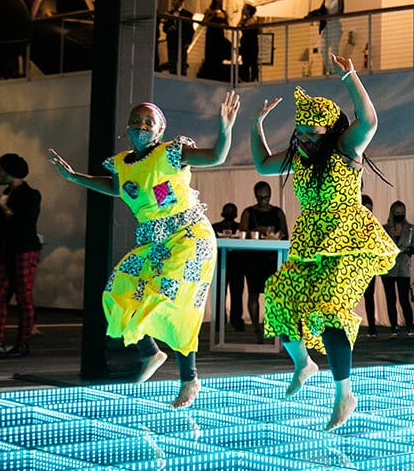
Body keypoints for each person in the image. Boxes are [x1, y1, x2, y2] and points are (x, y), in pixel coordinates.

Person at [48, 93, 239, 408]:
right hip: (155, 243)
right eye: (136, 121)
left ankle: (189, 379)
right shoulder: (122, 164)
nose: (141, 126)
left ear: (160, 130)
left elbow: (216, 157)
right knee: (118, 289)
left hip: (190, 238)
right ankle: (151, 353)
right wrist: (73, 177)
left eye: (149, 122)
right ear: (127, 127)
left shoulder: (171, 153)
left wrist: (225, 128)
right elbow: (114, 187)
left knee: (174, 302)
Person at [251, 53, 398, 430]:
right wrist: (256, 125)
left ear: (330, 132)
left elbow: (370, 121)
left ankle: (344, 394)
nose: (303, 139)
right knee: (279, 296)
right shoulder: (300, 159)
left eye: (311, 133)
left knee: (329, 310)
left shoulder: (346, 150)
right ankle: (304, 363)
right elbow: (263, 163)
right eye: (299, 132)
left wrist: (350, 76)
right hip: (311, 243)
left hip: (349, 240)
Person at [0, 154, 42, 359]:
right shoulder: (5, 194)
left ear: (9, 172)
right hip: (6, 250)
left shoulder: (31, 195)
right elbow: (5, 224)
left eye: (0, 169)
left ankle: (22, 343)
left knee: (23, 296)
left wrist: (4, 206)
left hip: (23, 249)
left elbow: (24, 223)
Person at [238, 180, 288, 341]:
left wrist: (274, 235)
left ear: (270, 195)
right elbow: (242, 233)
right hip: (253, 258)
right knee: (253, 293)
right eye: (260, 198)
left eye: (266, 197)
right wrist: (257, 231)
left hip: (273, 258)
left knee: (273, 295)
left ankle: (273, 328)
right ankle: (256, 330)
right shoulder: (248, 212)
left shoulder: (278, 212)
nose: (264, 200)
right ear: (255, 196)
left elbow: (285, 234)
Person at [381, 200, 414, 337]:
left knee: (404, 299)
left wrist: (408, 250)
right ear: (392, 213)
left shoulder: (410, 229)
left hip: (403, 268)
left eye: (402, 212)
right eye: (397, 213)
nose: (400, 215)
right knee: (390, 299)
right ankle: (394, 327)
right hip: (389, 268)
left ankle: (410, 327)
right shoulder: (385, 229)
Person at [211, 202, 246, 332]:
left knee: (237, 294)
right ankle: (219, 321)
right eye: (227, 211)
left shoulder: (241, 228)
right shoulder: (214, 227)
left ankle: (237, 321)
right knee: (219, 294)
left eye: (232, 212)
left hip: (237, 265)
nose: (229, 214)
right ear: (222, 213)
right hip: (220, 264)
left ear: (236, 214)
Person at [197, 0, 231, 82]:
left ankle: (218, 71)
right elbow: (203, 23)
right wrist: (211, 16)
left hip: (220, 34)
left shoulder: (224, 13)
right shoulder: (209, 11)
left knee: (219, 53)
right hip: (211, 34)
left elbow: (228, 25)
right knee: (210, 53)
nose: (220, 0)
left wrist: (224, 24)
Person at [315, 0, 344, 75]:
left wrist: (329, 16)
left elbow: (340, 12)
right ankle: (330, 69)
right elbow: (322, 11)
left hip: (335, 25)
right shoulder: (325, 0)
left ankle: (335, 70)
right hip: (327, 26)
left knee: (334, 49)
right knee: (323, 49)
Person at [360, 194, 379, 338]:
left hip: (368, 265)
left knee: (369, 295)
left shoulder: (373, 226)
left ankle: (372, 327)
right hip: (352, 264)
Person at [162, 0, 193, 75]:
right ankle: (172, 75)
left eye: (175, 0)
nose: (173, 2)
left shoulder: (187, 14)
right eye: (172, 0)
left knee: (182, 61)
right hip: (172, 40)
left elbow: (190, 29)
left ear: (180, 2)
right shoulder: (170, 13)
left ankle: (182, 76)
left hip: (182, 41)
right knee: (172, 61)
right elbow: (164, 28)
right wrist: (169, 29)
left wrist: (188, 41)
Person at [238, 4, 261, 83]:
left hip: (251, 44)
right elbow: (238, 26)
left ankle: (253, 78)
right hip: (245, 44)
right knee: (245, 62)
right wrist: (241, 17)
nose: (243, 10)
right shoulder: (245, 21)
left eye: (244, 8)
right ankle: (246, 78)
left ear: (248, 10)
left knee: (253, 62)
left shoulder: (253, 21)